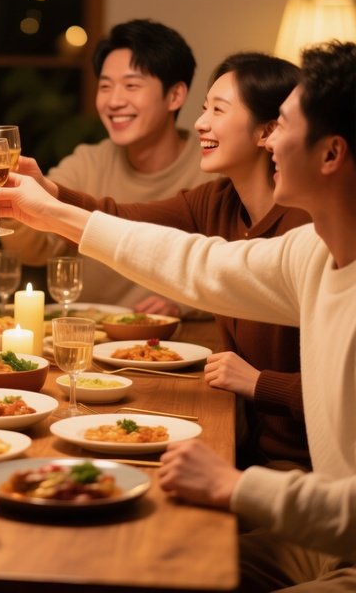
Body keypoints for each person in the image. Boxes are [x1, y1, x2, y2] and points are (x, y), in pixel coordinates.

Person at [0, 41, 356, 583]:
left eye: (282, 126)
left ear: (330, 154)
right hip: (317, 531)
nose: (271, 140)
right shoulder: (311, 253)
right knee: (136, 565)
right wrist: (52, 209)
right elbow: (194, 262)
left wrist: (235, 484)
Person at [19, 53, 310, 470]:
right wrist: (50, 192)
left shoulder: (309, 226)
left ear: (268, 131)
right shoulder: (217, 200)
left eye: (218, 110)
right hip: (247, 445)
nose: (201, 123)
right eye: (205, 108)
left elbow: (341, 388)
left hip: (304, 463)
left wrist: (261, 384)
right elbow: (123, 219)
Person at [1, 19, 211, 316]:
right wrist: (10, 203)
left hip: (176, 338)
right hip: (91, 335)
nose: (114, 101)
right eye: (105, 86)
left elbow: (243, 275)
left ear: (175, 95)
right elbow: (32, 250)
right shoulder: (88, 163)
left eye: (131, 85)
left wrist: (185, 305)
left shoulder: (211, 168)